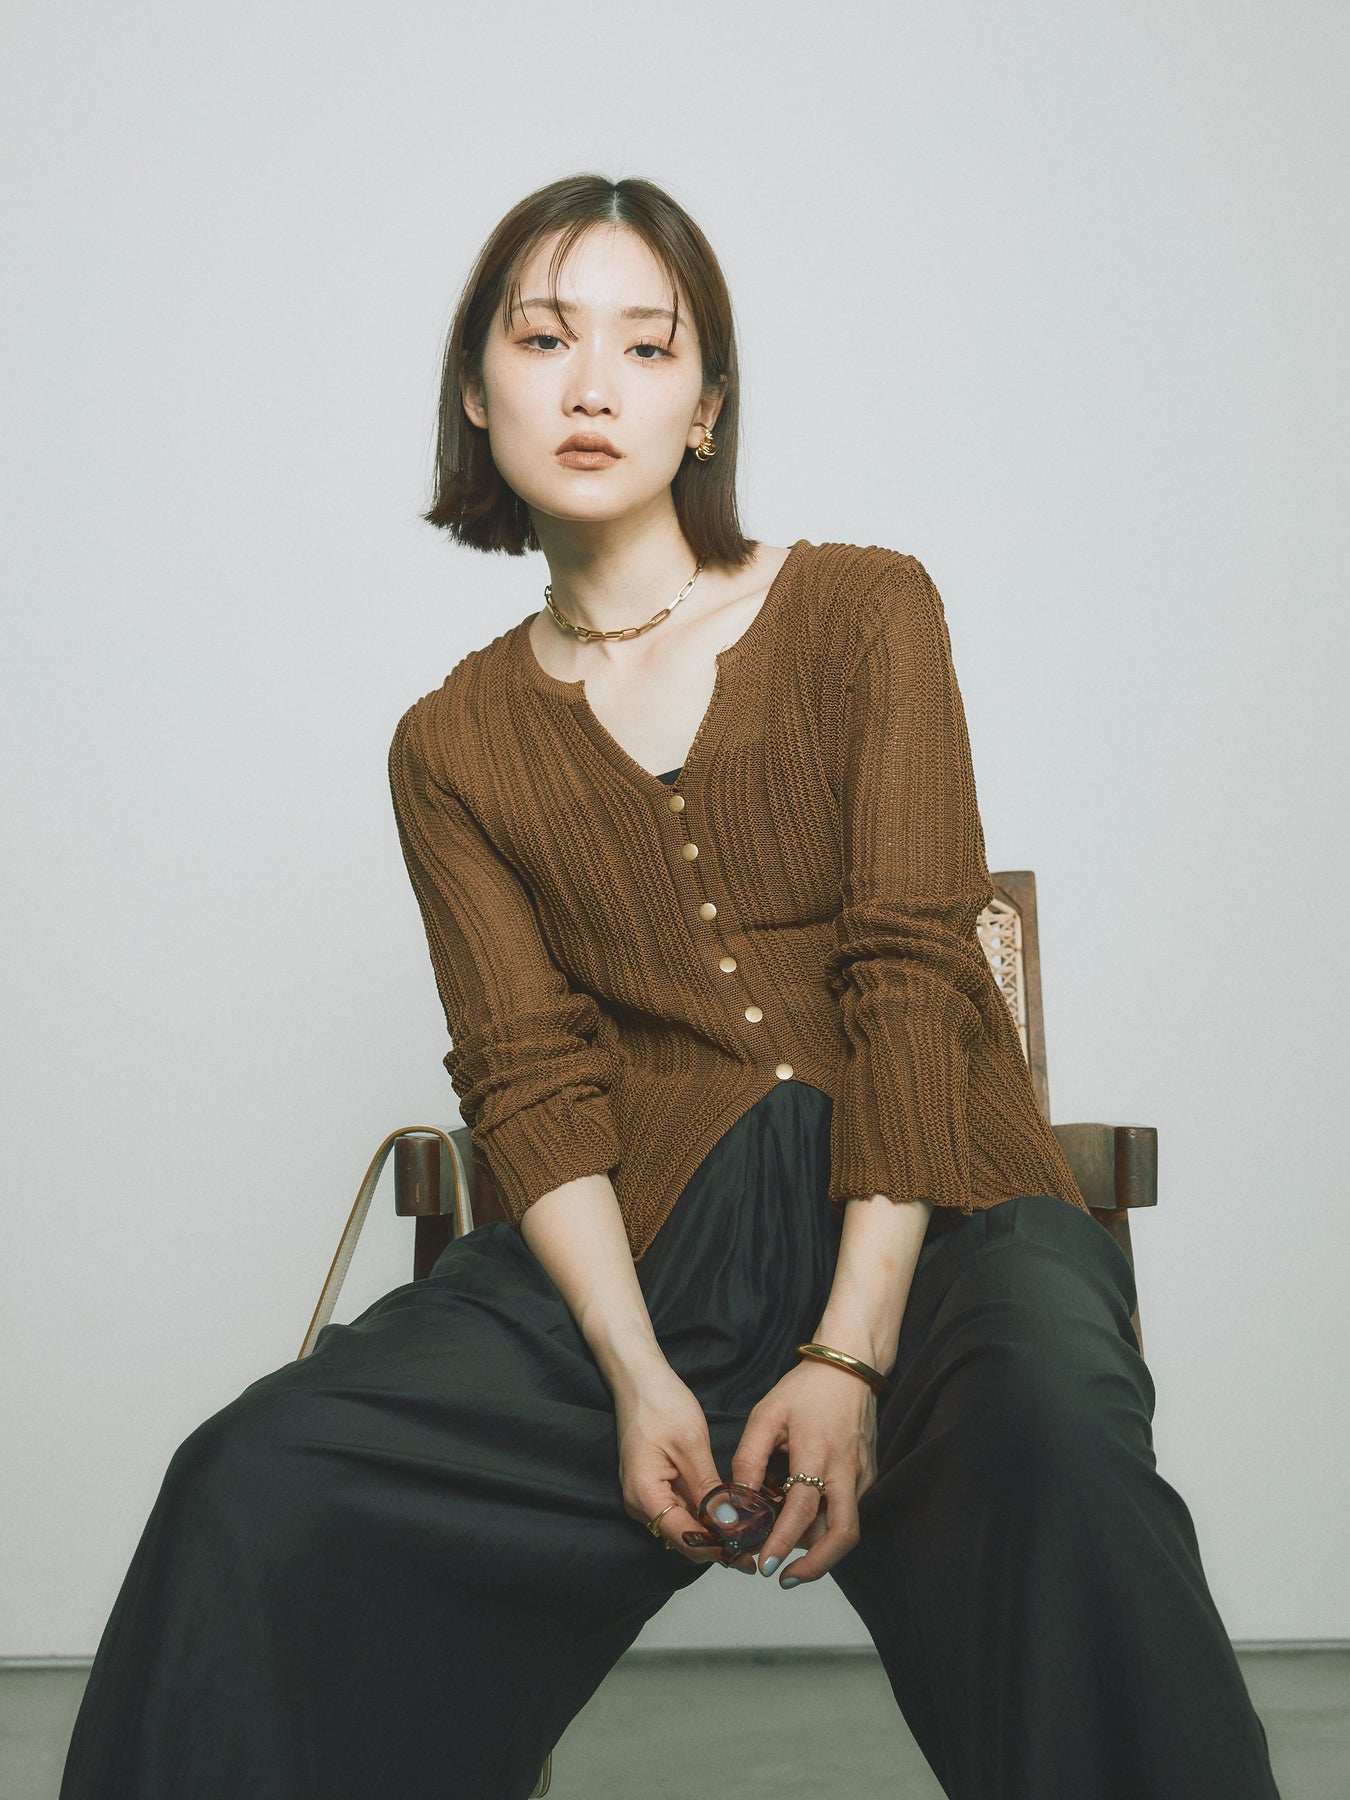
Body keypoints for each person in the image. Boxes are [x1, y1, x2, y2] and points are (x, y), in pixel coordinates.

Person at [59, 173, 1281, 1800]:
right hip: (645, 1253)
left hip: (938, 1225)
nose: (591, 386)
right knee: (252, 1480)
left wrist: (849, 1357)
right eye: (543, 339)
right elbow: (525, 1075)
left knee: (1053, 1439)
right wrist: (636, 1378)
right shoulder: (452, 744)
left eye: (645, 347)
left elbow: (909, 976)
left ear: (704, 408)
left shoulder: (865, 608)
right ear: (474, 392)